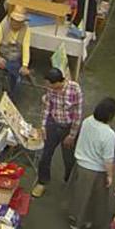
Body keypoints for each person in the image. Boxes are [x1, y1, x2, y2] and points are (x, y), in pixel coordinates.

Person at [64, 97, 115, 229]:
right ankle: (82, 221)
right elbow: (108, 159)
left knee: (79, 195)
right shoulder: (109, 134)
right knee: (91, 199)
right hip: (95, 170)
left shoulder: (87, 121)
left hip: (81, 164)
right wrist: (110, 176)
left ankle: (75, 218)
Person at [33, 67, 83, 196]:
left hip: (68, 127)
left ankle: (69, 181)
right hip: (53, 125)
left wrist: (72, 135)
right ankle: (42, 182)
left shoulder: (74, 89)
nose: (47, 87)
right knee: (45, 155)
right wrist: (43, 126)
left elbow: (78, 114)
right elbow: (47, 107)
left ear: (57, 83)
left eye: (49, 84)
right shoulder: (50, 89)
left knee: (69, 158)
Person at [0, 6, 31, 102]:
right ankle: (10, 94)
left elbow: (26, 47)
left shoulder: (26, 30)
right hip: (2, 56)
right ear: (11, 19)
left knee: (17, 77)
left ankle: (12, 96)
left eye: (19, 22)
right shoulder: (3, 27)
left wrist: (25, 65)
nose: (16, 24)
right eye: (14, 21)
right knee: (14, 75)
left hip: (16, 58)